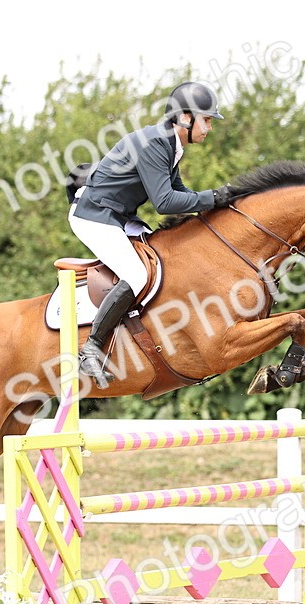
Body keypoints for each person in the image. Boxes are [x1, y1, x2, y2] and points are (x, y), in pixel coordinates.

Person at [68, 81, 237, 388]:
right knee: (135, 275)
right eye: (207, 119)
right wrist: (213, 197)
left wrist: (219, 207)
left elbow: (181, 192)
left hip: (119, 215)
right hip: (94, 216)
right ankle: (90, 348)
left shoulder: (172, 144)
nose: (209, 127)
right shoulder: (155, 142)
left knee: (164, 257)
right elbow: (165, 203)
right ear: (185, 117)